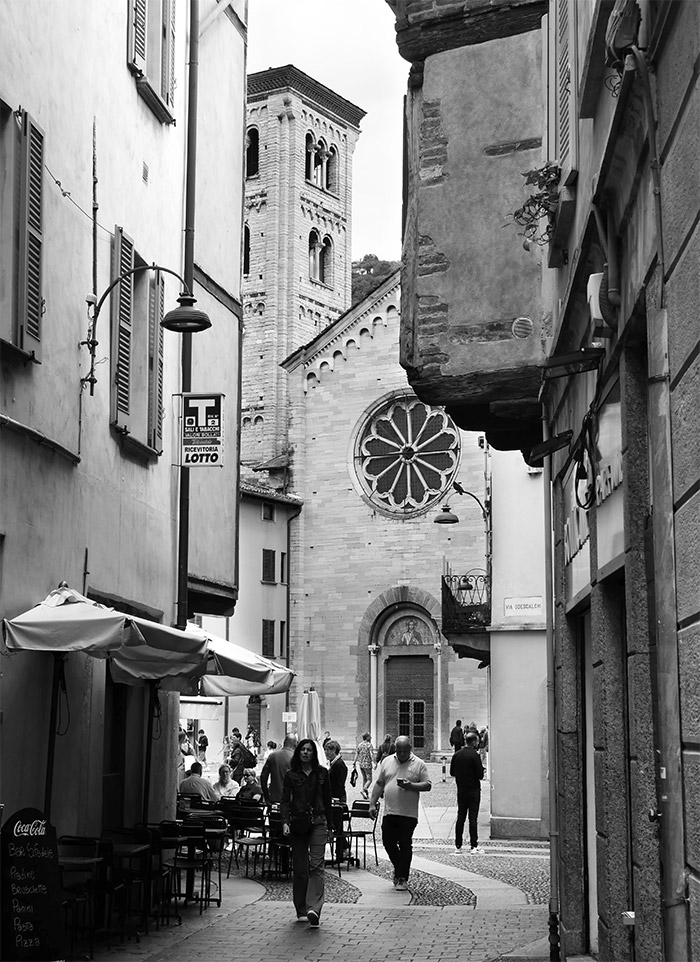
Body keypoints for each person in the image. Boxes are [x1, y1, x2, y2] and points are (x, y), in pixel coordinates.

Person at [281, 738, 334, 927]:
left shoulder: (322, 773)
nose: (305, 752)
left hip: (319, 821)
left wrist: (331, 826)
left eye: (309, 750)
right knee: (301, 869)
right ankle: (301, 908)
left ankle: (314, 908)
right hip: (298, 823)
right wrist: (285, 821)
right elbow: (285, 800)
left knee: (317, 866)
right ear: (298, 752)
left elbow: (328, 800)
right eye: (302, 749)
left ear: (313, 753)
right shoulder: (291, 775)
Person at [370, 735, 431, 891]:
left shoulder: (419, 764)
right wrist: (372, 804)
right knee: (388, 842)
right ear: (395, 749)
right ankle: (400, 869)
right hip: (389, 811)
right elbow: (379, 783)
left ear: (410, 749)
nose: (402, 754)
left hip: (409, 813)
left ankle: (402, 877)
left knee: (405, 843)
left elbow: (427, 785)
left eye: (405, 751)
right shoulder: (387, 761)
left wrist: (411, 785)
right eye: (399, 751)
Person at [450, 730, 485, 854]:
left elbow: (452, 772)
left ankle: (458, 846)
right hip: (473, 790)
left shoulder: (457, 755)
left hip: (461, 790)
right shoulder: (475, 755)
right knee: (472, 818)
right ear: (474, 742)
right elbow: (480, 775)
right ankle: (474, 845)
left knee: (460, 817)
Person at [324, 739, 348, 865]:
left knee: (337, 825)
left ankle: (342, 850)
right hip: (337, 797)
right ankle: (343, 849)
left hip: (337, 798)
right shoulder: (335, 763)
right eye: (325, 749)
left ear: (334, 750)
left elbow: (337, 784)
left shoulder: (338, 764)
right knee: (338, 826)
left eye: (328, 750)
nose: (326, 752)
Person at [261, 734, 297, 804]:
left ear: (284, 742)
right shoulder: (296, 758)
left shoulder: (272, 756)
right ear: (295, 744)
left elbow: (263, 777)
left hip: (274, 798)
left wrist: (266, 797)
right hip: (290, 800)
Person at [353, 732, 374, 798]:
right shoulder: (369, 745)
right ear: (367, 737)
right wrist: (374, 761)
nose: (371, 737)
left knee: (364, 779)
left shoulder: (360, 745)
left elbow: (356, 754)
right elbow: (371, 754)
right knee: (369, 779)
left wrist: (354, 762)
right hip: (367, 764)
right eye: (369, 736)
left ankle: (365, 795)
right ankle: (364, 789)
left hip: (361, 764)